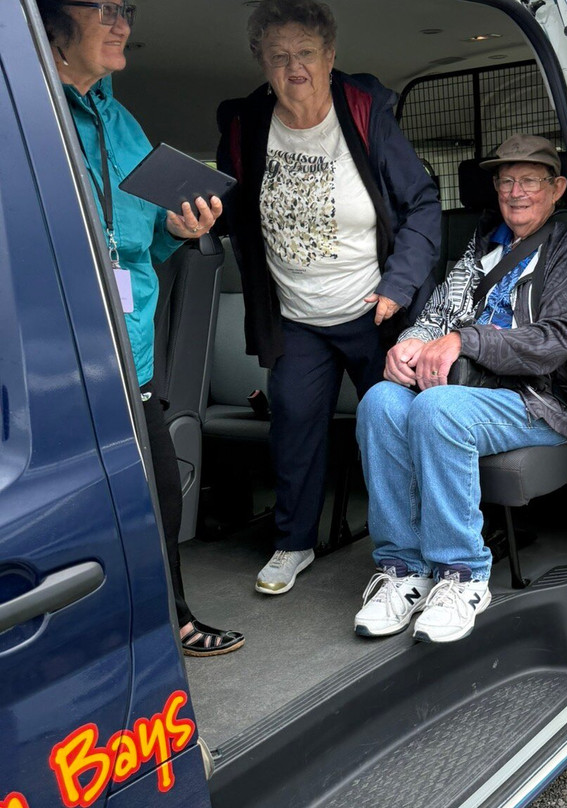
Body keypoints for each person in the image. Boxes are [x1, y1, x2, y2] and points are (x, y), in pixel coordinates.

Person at [37, 0, 243, 655]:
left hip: (132, 358)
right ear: (51, 18)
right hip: (53, 362)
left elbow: (146, 246)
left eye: (128, 8)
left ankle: (172, 619)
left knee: (157, 497)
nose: (121, 21)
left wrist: (184, 231)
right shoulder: (27, 111)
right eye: (102, 6)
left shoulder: (121, 122)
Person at [216, 0, 441, 596]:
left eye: (306, 53)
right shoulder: (244, 127)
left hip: (374, 310)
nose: (294, 67)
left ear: (331, 56)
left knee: (391, 426)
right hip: (298, 317)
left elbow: (421, 206)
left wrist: (399, 286)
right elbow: (232, 212)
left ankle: (412, 550)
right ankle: (293, 543)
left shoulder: (366, 114)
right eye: (278, 55)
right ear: (261, 62)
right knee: (292, 425)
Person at [352, 134, 567, 643]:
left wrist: (465, 340)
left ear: (556, 188)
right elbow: (436, 313)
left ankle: (462, 576)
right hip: (461, 390)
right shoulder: (483, 245)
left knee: (438, 410)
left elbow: (554, 342)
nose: (516, 191)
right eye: (506, 182)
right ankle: (403, 571)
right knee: (379, 402)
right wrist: (410, 344)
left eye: (529, 181)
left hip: (534, 400)